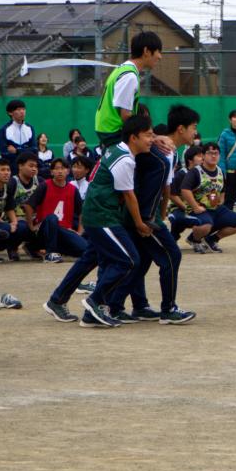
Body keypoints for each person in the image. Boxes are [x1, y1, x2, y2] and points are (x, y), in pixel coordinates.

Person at [118, 105, 202, 324]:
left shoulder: (164, 149)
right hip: (144, 215)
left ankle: (124, 305)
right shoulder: (164, 152)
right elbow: (160, 187)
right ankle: (168, 309)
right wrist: (152, 218)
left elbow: (164, 187)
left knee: (142, 260)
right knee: (172, 255)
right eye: (194, 127)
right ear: (181, 129)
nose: (196, 132)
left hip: (145, 213)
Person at [77, 115, 155, 328]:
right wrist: (139, 224)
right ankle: (95, 301)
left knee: (120, 260)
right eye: (148, 135)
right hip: (101, 216)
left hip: (103, 215)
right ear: (133, 137)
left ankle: (92, 313)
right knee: (129, 260)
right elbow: (129, 196)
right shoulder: (126, 159)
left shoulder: (118, 150)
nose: (152, 139)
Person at [94, 31, 163, 148]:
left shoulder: (123, 69)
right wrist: (151, 137)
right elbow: (125, 115)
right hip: (113, 132)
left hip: (108, 129)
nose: (160, 57)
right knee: (156, 158)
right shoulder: (129, 76)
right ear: (146, 51)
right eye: (158, 51)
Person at [180, 142, 236, 253]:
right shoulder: (196, 172)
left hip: (214, 208)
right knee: (205, 226)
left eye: (216, 153)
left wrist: (221, 201)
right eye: (210, 153)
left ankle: (211, 239)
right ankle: (195, 240)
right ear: (203, 156)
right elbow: (185, 190)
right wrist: (195, 207)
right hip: (198, 209)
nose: (213, 156)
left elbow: (222, 189)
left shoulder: (220, 171)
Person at [22, 158, 86, 263]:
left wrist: (79, 231)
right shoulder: (45, 186)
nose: (60, 171)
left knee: (84, 249)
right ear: (51, 172)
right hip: (45, 228)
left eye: (63, 168)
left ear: (68, 171)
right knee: (52, 218)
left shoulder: (73, 190)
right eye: (56, 169)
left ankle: (33, 247)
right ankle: (50, 253)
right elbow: (29, 205)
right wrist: (31, 226)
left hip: (63, 230)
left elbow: (81, 212)